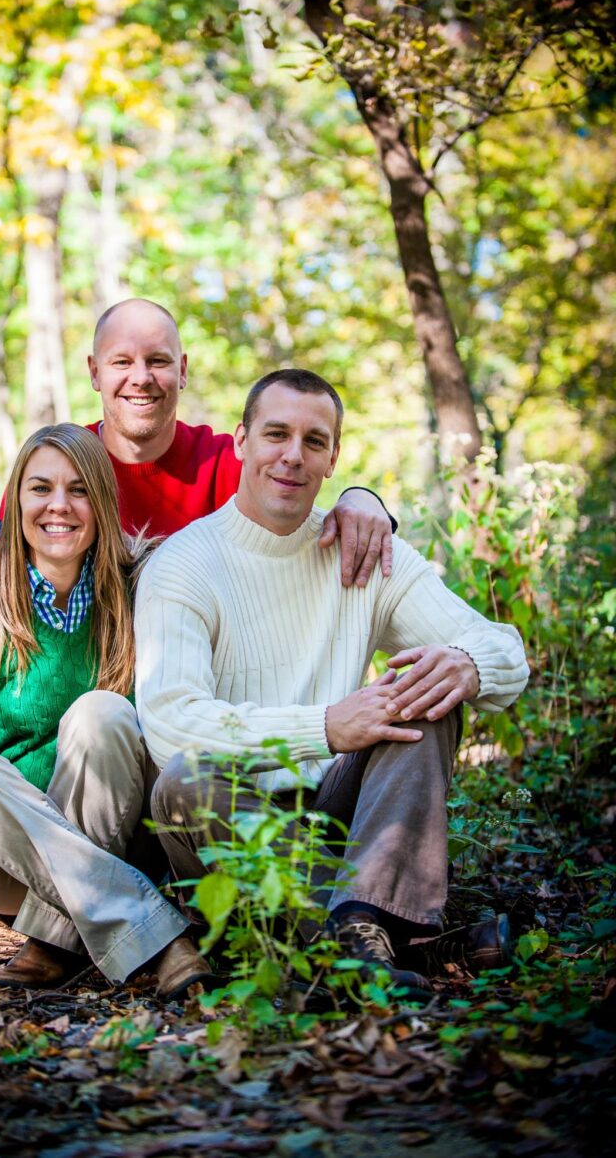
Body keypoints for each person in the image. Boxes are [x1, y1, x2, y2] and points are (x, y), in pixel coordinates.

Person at [135, 369, 530, 996]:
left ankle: (355, 928)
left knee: (428, 688)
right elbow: (170, 724)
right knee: (184, 781)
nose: (293, 456)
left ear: (333, 458)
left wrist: (467, 663)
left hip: (346, 817)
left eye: (314, 441)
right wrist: (324, 727)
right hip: (236, 823)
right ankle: (391, 939)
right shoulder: (184, 563)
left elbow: (502, 646)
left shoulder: (363, 550)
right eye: (276, 434)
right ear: (240, 441)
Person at [0, 299, 397, 670]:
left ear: (182, 370)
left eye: (158, 361)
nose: (141, 378)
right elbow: (1, 584)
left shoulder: (224, 463)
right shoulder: (55, 474)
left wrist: (362, 498)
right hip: (87, 690)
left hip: (209, 684)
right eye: (122, 362)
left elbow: (299, 499)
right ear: (94, 372)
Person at [0, 422, 213, 998]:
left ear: (102, 502)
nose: (59, 505)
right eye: (41, 488)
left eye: (79, 489)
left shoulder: (144, 590)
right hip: (11, 863)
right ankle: (156, 935)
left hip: (123, 837)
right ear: (17, 501)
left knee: (102, 712)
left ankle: (57, 939)